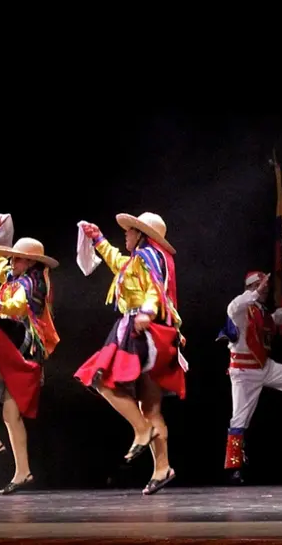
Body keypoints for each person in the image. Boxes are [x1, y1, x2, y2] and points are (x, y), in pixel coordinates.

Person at [74, 212, 185, 495]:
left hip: (139, 329)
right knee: (151, 407)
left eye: (129, 231)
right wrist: (97, 239)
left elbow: (154, 288)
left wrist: (147, 311)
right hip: (153, 333)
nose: (125, 234)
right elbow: (115, 261)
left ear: (141, 234)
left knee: (99, 378)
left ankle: (141, 430)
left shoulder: (148, 257)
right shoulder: (136, 260)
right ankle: (162, 468)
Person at [0, 222, 60, 495]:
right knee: (10, 413)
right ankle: (22, 471)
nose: (12, 261)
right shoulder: (15, 277)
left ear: (29, 261)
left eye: (16, 257)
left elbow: (16, 306)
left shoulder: (33, 284)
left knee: (10, 411)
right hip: (9, 344)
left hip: (20, 348)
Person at [217, 270, 282, 484]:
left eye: (265, 286)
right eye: (260, 286)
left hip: (264, 366)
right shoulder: (241, 310)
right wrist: (254, 293)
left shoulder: (262, 312)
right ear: (252, 287)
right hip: (244, 372)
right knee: (239, 419)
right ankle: (233, 467)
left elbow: (277, 318)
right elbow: (233, 306)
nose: (265, 290)